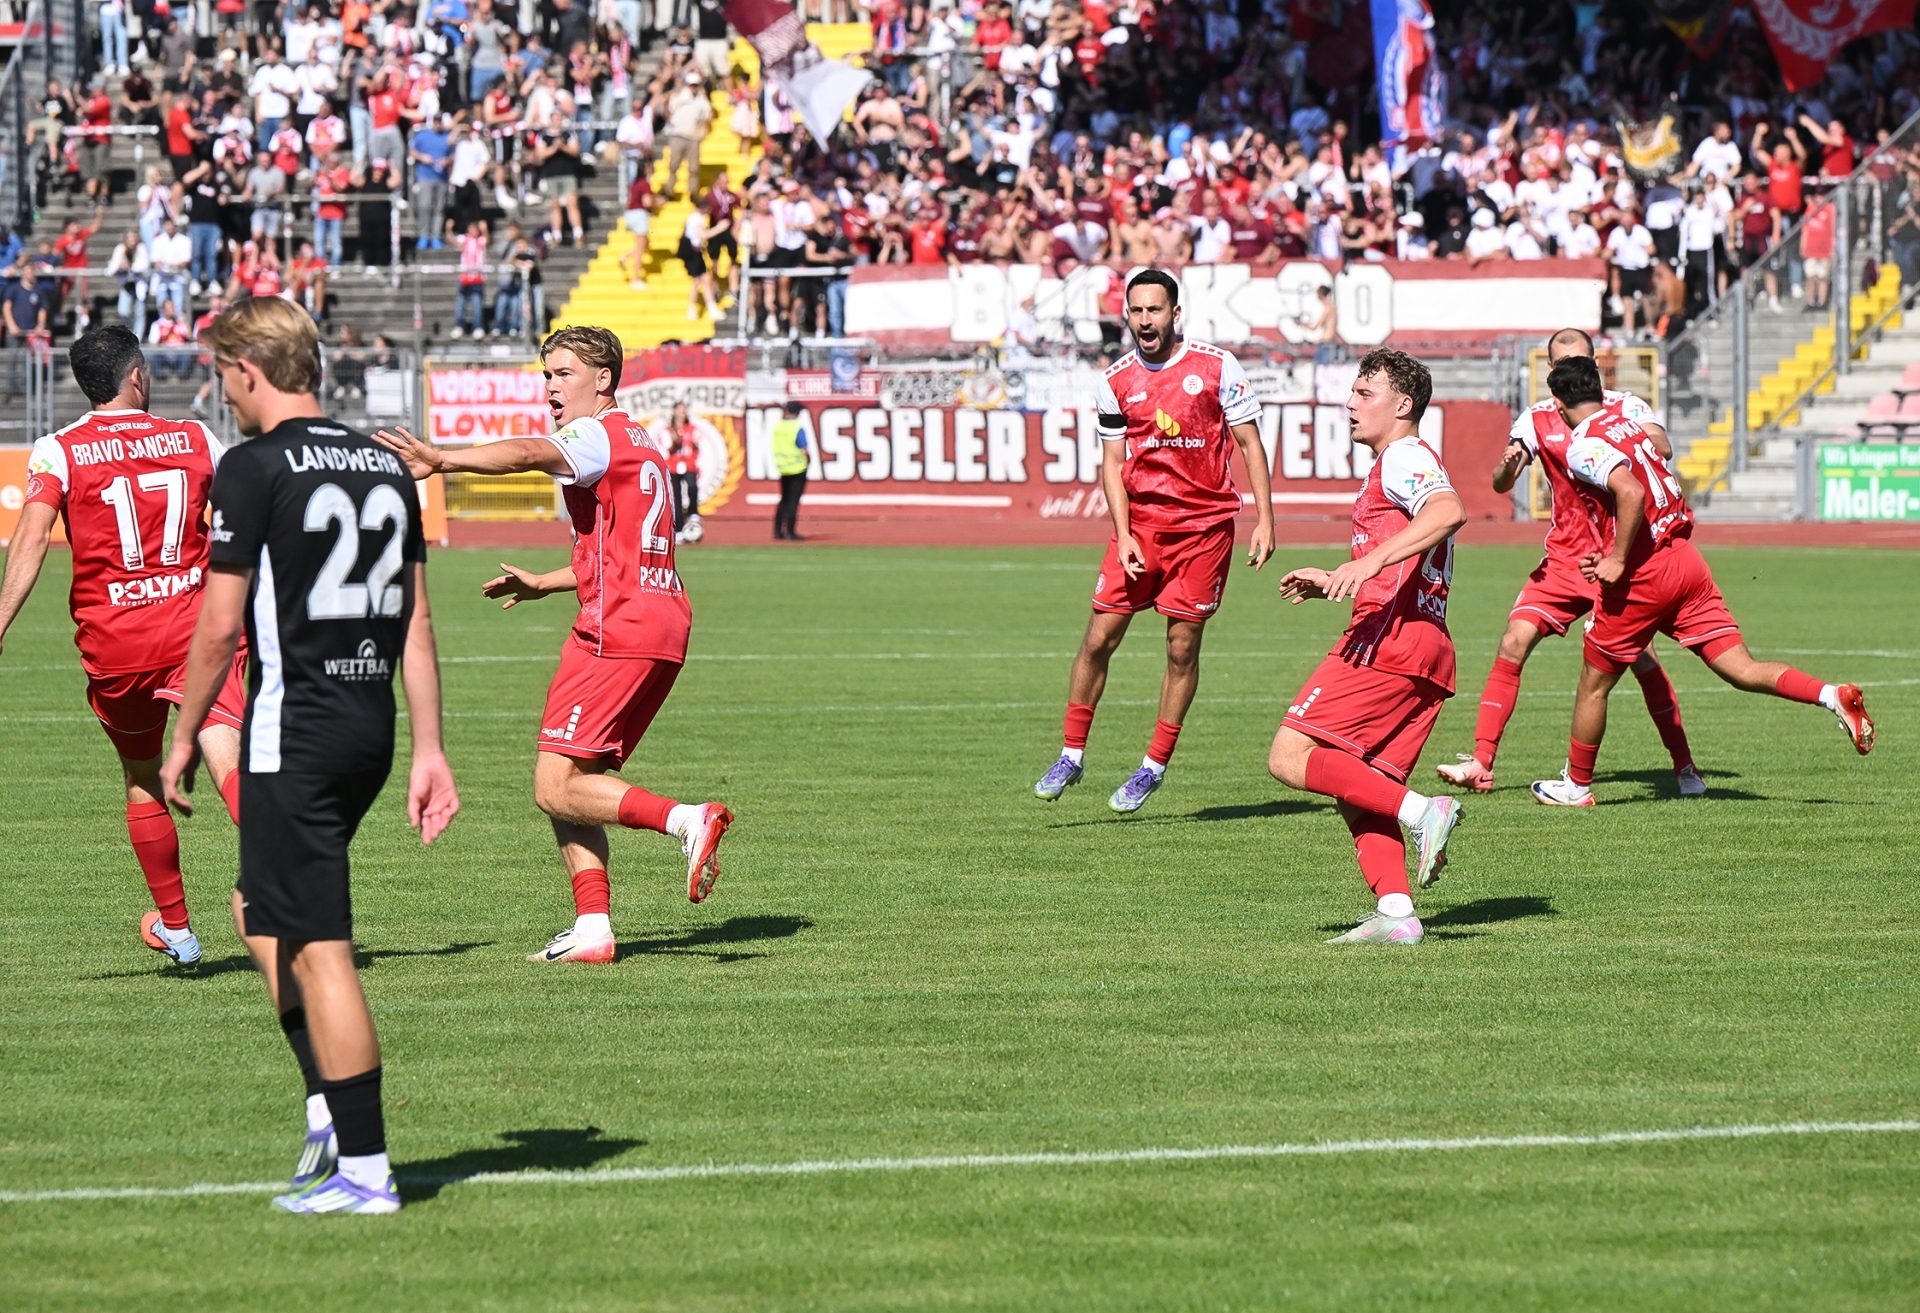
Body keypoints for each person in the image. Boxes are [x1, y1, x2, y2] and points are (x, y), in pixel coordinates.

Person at [157, 296, 458, 1214]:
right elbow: (415, 618)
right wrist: (430, 747)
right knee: (258, 909)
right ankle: (331, 1103)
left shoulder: (251, 467)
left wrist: (183, 734)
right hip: (368, 726)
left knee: (322, 949)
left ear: (248, 370)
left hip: (295, 730)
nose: (224, 392)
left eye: (223, 375)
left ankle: (361, 1162)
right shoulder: (385, 465)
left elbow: (218, 628)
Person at [370, 327, 733, 965]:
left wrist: (443, 460)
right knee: (572, 778)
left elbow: (528, 452)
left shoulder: (595, 434)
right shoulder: (640, 442)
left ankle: (685, 818)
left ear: (604, 379)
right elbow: (621, 553)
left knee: (553, 786)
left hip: (616, 628)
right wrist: (545, 581)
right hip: (658, 620)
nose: (551, 388)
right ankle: (592, 928)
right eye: (547, 376)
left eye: (565, 373)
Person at [0, 325, 248, 966]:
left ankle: (179, 932)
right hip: (197, 629)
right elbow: (251, 511)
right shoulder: (196, 437)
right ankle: (289, 873)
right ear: (136, 376)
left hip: (117, 646)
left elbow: (31, 539)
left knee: (142, 775)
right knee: (227, 753)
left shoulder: (58, 450)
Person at [1528, 355, 1874, 806]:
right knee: (1742, 669)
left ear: (1558, 405)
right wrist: (1615, 551)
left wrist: (1617, 560)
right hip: (1685, 561)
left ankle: (1576, 787)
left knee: (1593, 684)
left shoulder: (1582, 443)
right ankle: (1831, 695)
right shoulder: (1629, 425)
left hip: (1644, 577)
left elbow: (1631, 492)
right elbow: (1653, 473)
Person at [1032, 269, 1274, 814]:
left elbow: (1249, 444)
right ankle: (1071, 755)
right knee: (1098, 639)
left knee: (1181, 649)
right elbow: (1112, 463)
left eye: (1155, 310)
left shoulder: (1217, 367)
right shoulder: (1115, 380)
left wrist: (1265, 518)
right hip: (1141, 528)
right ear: (1127, 315)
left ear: (1174, 313)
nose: (1145, 320)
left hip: (1204, 532)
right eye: (1137, 311)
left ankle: (1153, 767)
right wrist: (1122, 534)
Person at [1436, 328, 1696, 795]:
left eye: (1579, 360)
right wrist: (1509, 464)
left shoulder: (1625, 407)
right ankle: (1481, 762)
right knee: (1513, 642)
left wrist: (1615, 433)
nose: (1570, 368)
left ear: (1595, 364)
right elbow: (1501, 482)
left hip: (1616, 561)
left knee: (1644, 661)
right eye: (1560, 363)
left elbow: (1663, 447)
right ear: (1550, 370)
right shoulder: (1537, 418)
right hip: (1563, 560)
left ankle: (1685, 767)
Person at [1266, 349, 1466, 946]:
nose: (1350, 403)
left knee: (1290, 756)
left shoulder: (1404, 455)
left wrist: (1370, 562)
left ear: (1402, 405)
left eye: (1364, 393)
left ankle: (1424, 812)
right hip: (1425, 645)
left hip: (1390, 640)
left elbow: (1448, 510)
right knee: (1361, 786)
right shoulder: (1396, 462)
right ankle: (1397, 913)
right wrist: (1339, 576)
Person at [771, 399, 810, 540]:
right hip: (797, 468)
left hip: (783, 467)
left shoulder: (778, 426)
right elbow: (804, 449)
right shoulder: (797, 427)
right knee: (793, 501)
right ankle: (790, 531)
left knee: (784, 499)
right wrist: (809, 460)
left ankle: (777, 531)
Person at [663, 402, 700, 533]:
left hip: (688, 464)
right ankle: (679, 527)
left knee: (692, 486)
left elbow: (697, 442)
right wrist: (675, 441)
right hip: (673, 466)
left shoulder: (692, 428)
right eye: (680, 410)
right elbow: (668, 449)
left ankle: (692, 511)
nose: (682, 413)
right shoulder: (668, 430)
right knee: (676, 497)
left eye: (684, 410)